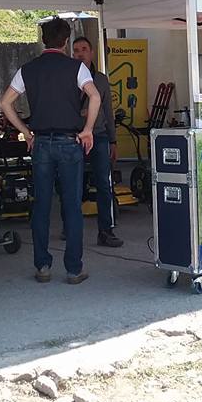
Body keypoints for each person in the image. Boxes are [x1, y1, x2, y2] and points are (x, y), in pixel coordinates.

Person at [0, 17, 100, 284]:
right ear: (65, 41)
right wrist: (88, 129)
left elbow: (5, 102)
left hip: (41, 143)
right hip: (69, 141)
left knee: (41, 205)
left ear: (44, 40)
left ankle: (42, 266)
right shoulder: (77, 68)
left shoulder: (27, 70)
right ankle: (74, 269)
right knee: (72, 206)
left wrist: (25, 130)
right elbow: (95, 96)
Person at [72, 36, 124, 248]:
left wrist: (113, 140)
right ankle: (70, 228)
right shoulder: (67, 76)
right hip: (74, 136)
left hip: (100, 135)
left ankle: (106, 230)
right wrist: (79, 114)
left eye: (84, 49)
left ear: (92, 52)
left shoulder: (101, 79)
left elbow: (108, 111)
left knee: (104, 183)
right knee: (72, 184)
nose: (80, 54)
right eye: (76, 50)